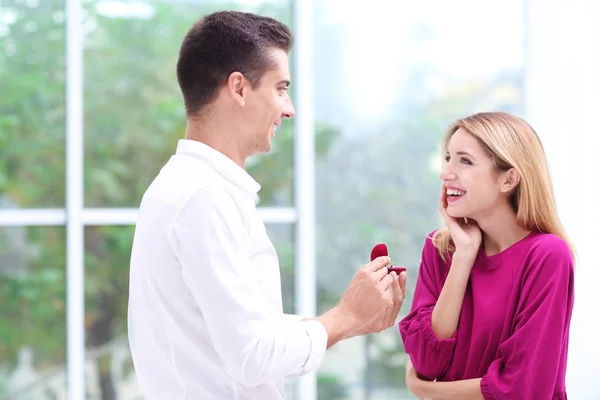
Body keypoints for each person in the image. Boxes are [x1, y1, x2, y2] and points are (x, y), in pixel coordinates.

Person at [127, 10, 407, 400]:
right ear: (239, 88)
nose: (289, 108)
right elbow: (251, 355)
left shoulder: (191, 189)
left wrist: (353, 320)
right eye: (280, 88)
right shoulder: (203, 198)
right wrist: (344, 317)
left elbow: (240, 332)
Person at [398, 112, 575, 399]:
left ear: (509, 179)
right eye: (447, 158)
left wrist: (427, 391)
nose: (446, 173)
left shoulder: (547, 256)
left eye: (465, 161)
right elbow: (427, 361)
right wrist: (464, 257)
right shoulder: (441, 248)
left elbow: (521, 388)